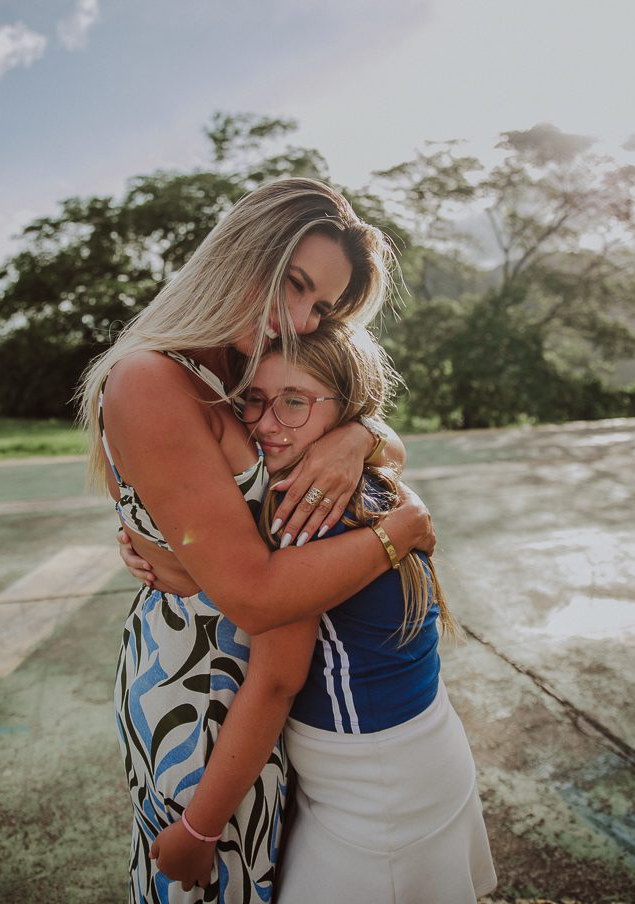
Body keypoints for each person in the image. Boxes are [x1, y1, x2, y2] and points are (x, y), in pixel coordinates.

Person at [82, 177, 436, 903]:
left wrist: (359, 435)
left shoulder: (237, 367)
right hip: (199, 696)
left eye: (322, 307)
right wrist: (401, 530)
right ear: (243, 256)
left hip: (261, 699)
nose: (303, 319)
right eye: (297, 286)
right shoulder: (152, 379)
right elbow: (255, 594)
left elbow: (351, 431)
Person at [141, 322, 497, 904]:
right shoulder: (369, 484)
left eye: (294, 402)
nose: (265, 422)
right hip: (413, 750)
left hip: (375, 784)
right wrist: (160, 551)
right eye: (253, 399)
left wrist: (200, 829)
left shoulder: (306, 514)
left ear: (345, 408)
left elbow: (277, 678)